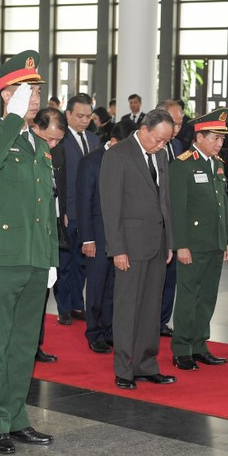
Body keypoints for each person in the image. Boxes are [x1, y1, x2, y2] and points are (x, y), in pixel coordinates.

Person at [0, 50, 57, 454]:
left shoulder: (38, 146)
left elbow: (48, 209)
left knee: (24, 344)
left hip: (36, 258)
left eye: (36, 90)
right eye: (25, 90)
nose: (35, 97)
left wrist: (52, 258)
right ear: (7, 95)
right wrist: (10, 119)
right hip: (4, 256)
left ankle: (17, 416)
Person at [100, 108, 176, 390]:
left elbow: (165, 200)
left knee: (151, 307)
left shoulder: (161, 155)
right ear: (144, 129)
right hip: (129, 246)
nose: (161, 145)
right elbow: (111, 206)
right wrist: (117, 249)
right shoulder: (117, 155)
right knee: (127, 308)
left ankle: (146, 364)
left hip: (156, 243)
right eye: (158, 139)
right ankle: (123, 368)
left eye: (166, 141)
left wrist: (170, 241)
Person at [170, 108, 228, 371]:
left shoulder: (217, 164)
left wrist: (226, 239)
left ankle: (200, 344)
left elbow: (223, 205)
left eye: (222, 139)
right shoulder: (183, 164)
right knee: (188, 295)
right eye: (215, 138)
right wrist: (181, 244)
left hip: (214, 243)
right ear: (199, 136)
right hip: (192, 244)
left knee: (207, 296)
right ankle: (182, 348)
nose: (220, 143)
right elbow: (177, 208)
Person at [77, 123, 130, 353]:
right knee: (97, 286)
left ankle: (109, 330)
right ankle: (94, 332)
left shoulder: (128, 160)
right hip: (97, 236)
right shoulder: (91, 161)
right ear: (115, 141)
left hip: (120, 236)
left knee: (114, 287)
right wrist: (87, 238)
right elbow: (83, 203)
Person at [54, 93, 100, 325]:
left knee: (82, 263)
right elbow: (56, 180)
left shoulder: (94, 139)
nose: (84, 120)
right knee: (64, 263)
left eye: (88, 116)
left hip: (88, 214)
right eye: (79, 116)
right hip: (67, 212)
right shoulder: (59, 141)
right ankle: (63, 307)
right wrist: (59, 210)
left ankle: (76, 304)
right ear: (68, 114)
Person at [31, 106, 68, 363]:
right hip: (28, 229)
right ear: (36, 128)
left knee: (42, 290)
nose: (53, 144)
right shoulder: (23, 151)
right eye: (50, 138)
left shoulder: (58, 151)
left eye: (58, 140)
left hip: (50, 226)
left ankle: (35, 344)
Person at [159, 99, 187, 338]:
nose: (177, 128)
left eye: (180, 123)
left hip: (175, 221)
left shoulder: (179, 146)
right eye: (173, 123)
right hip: (155, 221)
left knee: (171, 277)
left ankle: (162, 320)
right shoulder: (152, 145)